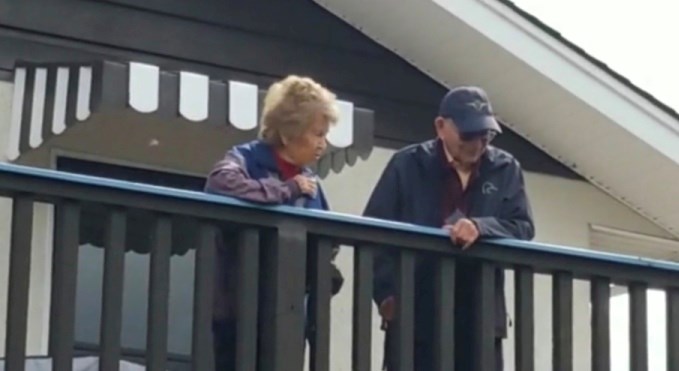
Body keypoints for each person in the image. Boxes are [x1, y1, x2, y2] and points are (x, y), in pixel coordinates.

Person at [364, 86, 535, 370]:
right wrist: (386, 295)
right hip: (415, 310)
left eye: (486, 135)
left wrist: (481, 227)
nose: (477, 144)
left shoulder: (506, 168)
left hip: (479, 313)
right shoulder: (407, 164)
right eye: (468, 134)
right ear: (441, 127)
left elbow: (523, 227)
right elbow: (374, 232)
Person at [205, 75, 344, 371]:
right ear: (287, 134)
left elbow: (328, 238)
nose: (323, 143)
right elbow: (220, 184)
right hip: (238, 312)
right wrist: (286, 190)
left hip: (290, 317)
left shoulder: (311, 181)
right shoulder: (246, 158)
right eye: (317, 133)